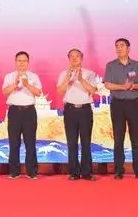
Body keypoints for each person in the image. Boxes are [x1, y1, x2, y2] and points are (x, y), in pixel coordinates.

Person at [103, 37, 138, 180]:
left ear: (128, 48)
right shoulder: (111, 65)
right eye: (117, 46)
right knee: (118, 138)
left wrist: (133, 86)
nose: (119, 48)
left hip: (133, 104)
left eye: (122, 45)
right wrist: (122, 87)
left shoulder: (136, 65)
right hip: (117, 104)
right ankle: (118, 171)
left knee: (135, 138)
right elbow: (107, 84)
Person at [56, 48, 99, 181]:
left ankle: (86, 172)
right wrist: (67, 79)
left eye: (77, 56)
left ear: (82, 58)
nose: (74, 59)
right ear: (68, 59)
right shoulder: (63, 74)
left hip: (85, 110)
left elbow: (92, 90)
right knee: (72, 142)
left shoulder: (89, 73)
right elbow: (59, 91)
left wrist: (81, 79)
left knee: (86, 142)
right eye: (72, 56)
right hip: (70, 110)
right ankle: (74, 172)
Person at [1, 51, 42, 179]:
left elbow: (38, 92)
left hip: (29, 111)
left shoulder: (33, 76)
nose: (21, 63)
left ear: (28, 62)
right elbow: (4, 92)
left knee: (30, 142)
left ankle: (32, 172)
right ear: (15, 62)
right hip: (14, 111)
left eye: (24, 61)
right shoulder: (9, 76)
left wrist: (26, 84)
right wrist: (15, 84)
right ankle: (14, 171)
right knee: (14, 142)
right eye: (19, 60)